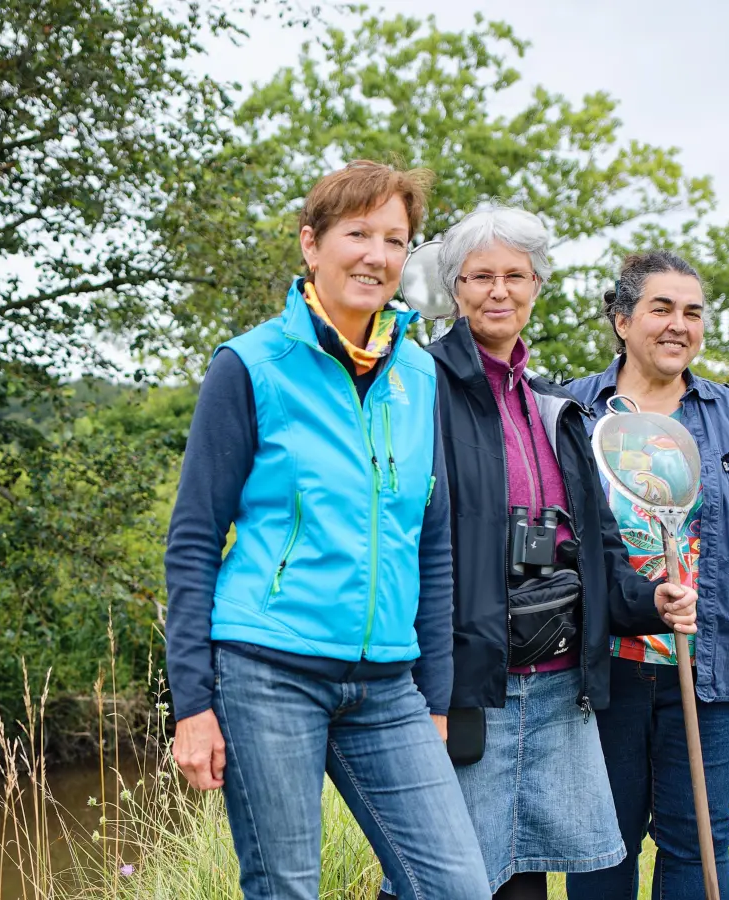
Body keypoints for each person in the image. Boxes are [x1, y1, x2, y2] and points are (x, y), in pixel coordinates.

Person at [162, 160, 490, 900]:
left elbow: (430, 540)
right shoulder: (250, 367)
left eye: (395, 239)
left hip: (388, 686)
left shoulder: (420, 376)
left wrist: (434, 699)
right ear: (312, 245)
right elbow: (191, 542)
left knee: (457, 887)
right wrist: (192, 706)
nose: (376, 254)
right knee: (286, 888)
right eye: (358, 233)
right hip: (267, 671)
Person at [381, 207, 698, 900]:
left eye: (516, 276)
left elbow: (597, 548)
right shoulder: (418, 388)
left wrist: (650, 599)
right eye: (481, 276)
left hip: (557, 689)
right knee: (440, 879)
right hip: (465, 687)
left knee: (527, 881)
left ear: (536, 286)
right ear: (454, 287)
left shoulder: (557, 408)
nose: (500, 291)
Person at [563, 251, 729, 900]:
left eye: (693, 312)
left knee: (699, 837)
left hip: (713, 669)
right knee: (598, 841)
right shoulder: (570, 413)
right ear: (621, 320)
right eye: (661, 308)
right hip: (602, 670)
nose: (679, 324)